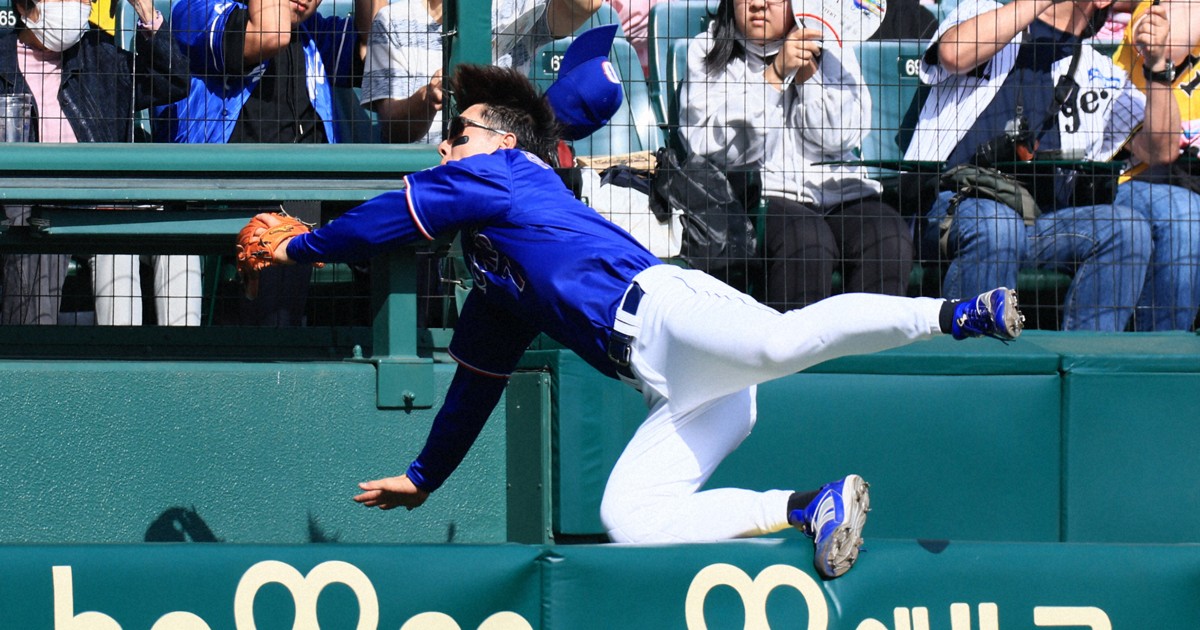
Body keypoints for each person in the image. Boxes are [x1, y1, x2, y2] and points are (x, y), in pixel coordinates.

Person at [243, 63, 1025, 580]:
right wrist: (424, 478)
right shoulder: (494, 280)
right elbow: (472, 390)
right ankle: (808, 505)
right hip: (669, 384)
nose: (448, 142)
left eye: (464, 131)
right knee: (628, 517)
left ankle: (957, 312)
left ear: (506, 145)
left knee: (784, 339)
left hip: (671, 314)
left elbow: (396, 217)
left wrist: (304, 246)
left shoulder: (507, 172)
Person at [903, 0, 1179, 331]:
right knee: (996, 223)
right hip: (946, 208)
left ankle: (1087, 367)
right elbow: (953, 55)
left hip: (1035, 225)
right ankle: (976, 367)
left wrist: (1159, 66)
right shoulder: (985, 11)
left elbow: (1160, 149)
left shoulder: (1099, 72)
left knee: (1127, 229)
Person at [156, 0, 388, 325]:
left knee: (283, 321)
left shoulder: (311, 32)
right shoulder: (199, 9)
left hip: (301, 196)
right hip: (218, 193)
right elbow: (268, 34)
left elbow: (373, 48)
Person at [679, 0, 914, 312]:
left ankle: (868, 356)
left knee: (887, 235)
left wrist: (808, 73)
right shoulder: (707, 49)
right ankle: (793, 359)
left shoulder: (833, 44)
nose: (758, 5)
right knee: (806, 241)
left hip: (836, 188)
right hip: (754, 196)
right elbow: (717, 150)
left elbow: (836, 138)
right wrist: (775, 76)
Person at [0, 0, 190, 325]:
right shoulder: (3, 60)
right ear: (23, 5)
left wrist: (148, 17)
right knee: (31, 228)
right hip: (32, 205)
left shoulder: (98, 54)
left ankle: (127, 365)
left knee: (145, 243)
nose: (82, 5)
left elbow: (171, 81)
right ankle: (33, 362)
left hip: (98, 200)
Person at [361, 0, 602, 143]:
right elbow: (392, 127)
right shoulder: (393, 19)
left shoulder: (517, 7)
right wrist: (425, 99)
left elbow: (587, 4)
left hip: (502, 161)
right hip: (429, 171)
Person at [1109, 0, 1200, 331]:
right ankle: (1162, 356)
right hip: (1144, 176)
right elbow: (1171, 46)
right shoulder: (1156, 8)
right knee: (1184, 216)